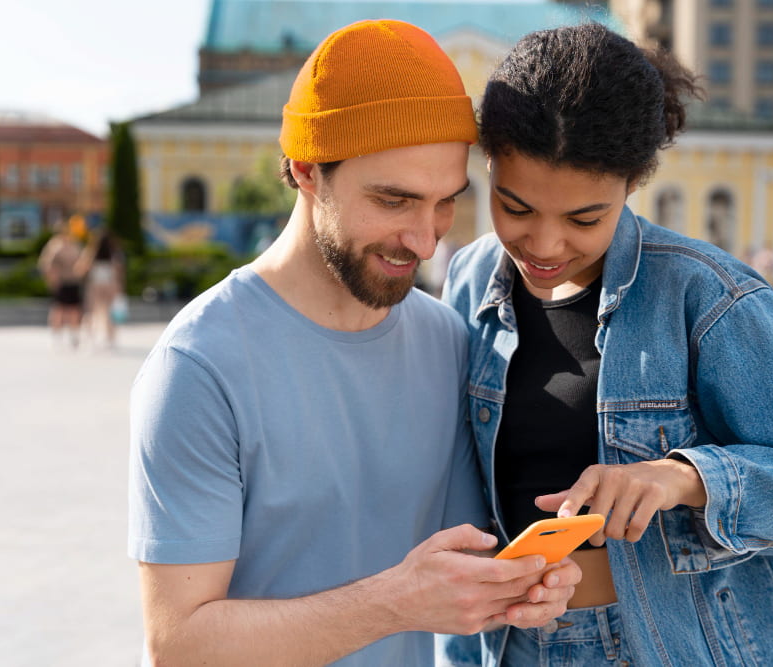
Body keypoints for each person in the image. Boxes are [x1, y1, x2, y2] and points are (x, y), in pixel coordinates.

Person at [128, 20, 580, 667]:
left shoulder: (443, 338)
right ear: (308, 170)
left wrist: (518, 583)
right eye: (394, 200)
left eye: (444, 203)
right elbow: (180, 643)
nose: (426, 240)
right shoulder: (199, 367)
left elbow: (457, 558)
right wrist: (395, 603)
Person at [441, 23, 773, 666]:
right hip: (505, 645)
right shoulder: (467, 279)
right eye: (515, 208)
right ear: (487, 166)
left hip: (660, 648)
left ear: (633, 184)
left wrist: (684, 477)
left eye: (584, 218)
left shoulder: (710, 299)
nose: (543, 246)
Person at [37, 218, 85, 348]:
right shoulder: (54, 246)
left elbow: (82, 260)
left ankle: (74, 334)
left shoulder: (75, 245)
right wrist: (53, 279)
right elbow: (46, 265)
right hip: (61, 282)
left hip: (73, 281)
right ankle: (56, 335)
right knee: (59, 309)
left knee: (75, 309)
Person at [77, 229, 125, 348]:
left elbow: (81, 268)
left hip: (95, 285)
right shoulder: (114, 253)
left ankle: (89, 338)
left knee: (90, 312)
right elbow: (119, 272)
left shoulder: (91, 252)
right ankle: (110, 339)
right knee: (109, 313)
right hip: (109, 285)